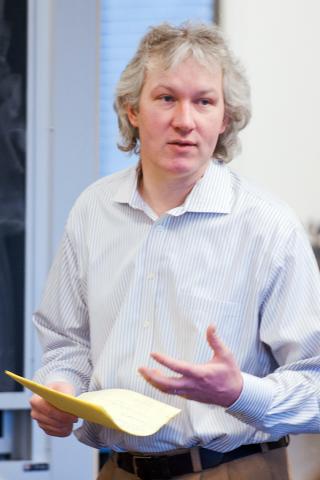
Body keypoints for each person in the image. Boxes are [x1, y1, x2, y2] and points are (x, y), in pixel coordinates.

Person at [30, 22, 320, 480]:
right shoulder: (93, 210)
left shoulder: (268, 226)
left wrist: (238, 392)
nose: (185, 120)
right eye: (166, 98)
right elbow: (67, 342)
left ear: (225, 118)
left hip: (234, 469)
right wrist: (60, 391)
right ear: (132, 110)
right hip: (117, 471)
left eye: (204, 101)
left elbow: (316, 387)